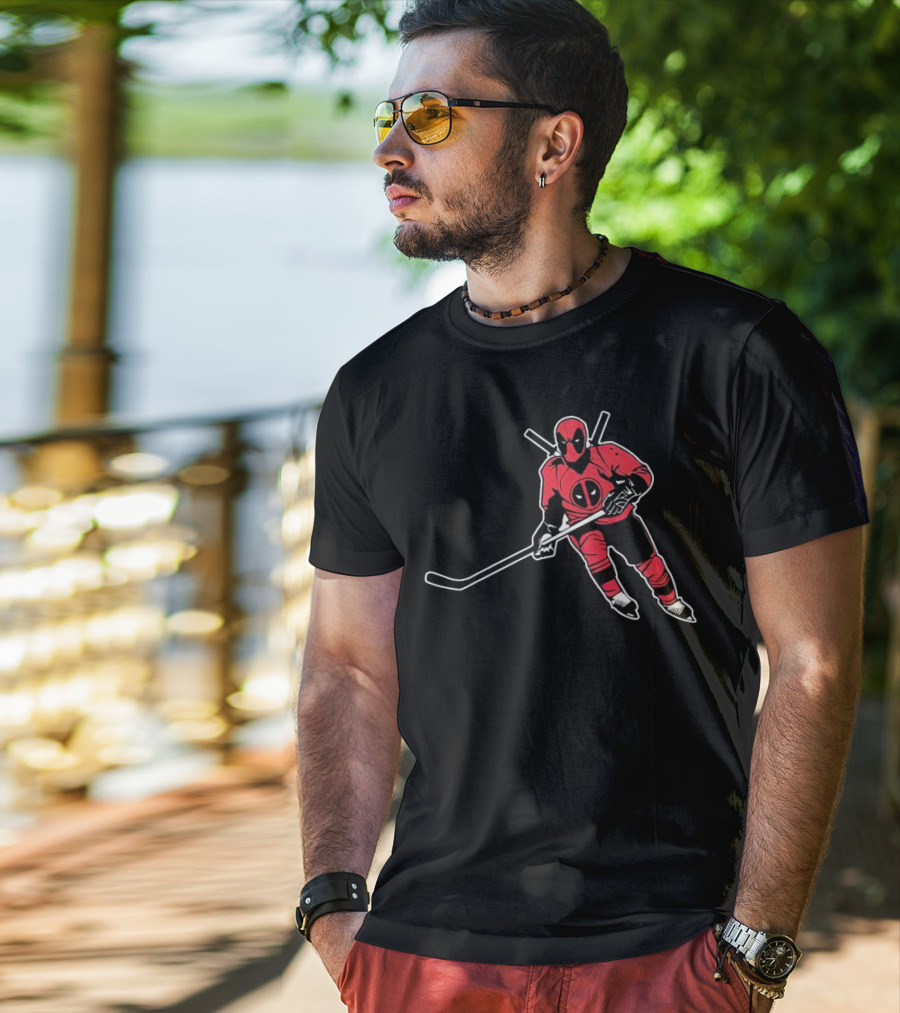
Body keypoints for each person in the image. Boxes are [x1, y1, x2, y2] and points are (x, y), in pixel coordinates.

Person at [296, 2, 868, 1011]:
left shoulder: (737, 352)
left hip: (665, 948)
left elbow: (814, 662)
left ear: (553, 142)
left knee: (628, 558)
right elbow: (346, 663)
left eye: (430, 116)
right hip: (422, 953)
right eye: (386, 117)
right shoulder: (375, 390)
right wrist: (337, 907)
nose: (389, 147)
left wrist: (756, 949)